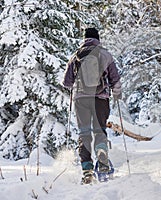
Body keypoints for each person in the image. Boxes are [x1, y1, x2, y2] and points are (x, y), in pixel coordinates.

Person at [62, 27, 121, 184]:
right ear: (97, 39)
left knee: (85, 134)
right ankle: (102, 161)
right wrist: (116, 93)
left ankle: (87, 171)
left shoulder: (76, 56)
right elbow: (115, 78)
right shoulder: (105, 54)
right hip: (100, 99)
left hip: (81, 101)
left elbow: (67, 82)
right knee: (99, 131)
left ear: (85, 39)